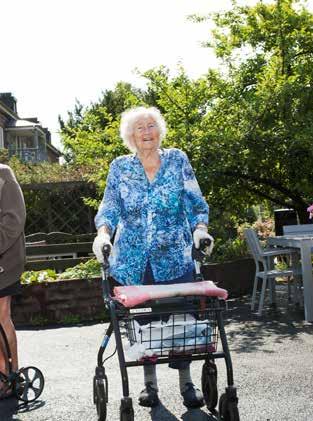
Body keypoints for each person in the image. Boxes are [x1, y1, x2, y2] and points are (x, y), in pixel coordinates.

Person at [93, 106, 214, 408]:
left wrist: (200, 230)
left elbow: (195, 201)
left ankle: (187, 385)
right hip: (134, 261)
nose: (146, 132)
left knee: (181, 320)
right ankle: (150, 386)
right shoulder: (120, 167)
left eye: (151, 126)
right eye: (139, 128)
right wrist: (103, 234)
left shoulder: (177, 160)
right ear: (130, 136)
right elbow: (109, 207)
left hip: (174, 255)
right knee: (146, 324)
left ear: (160, 130)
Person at [0, 164, 26, 397]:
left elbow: (14, 221)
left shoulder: (3, 174)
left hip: (4, 259)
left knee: (0, 316)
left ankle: (10, 375)